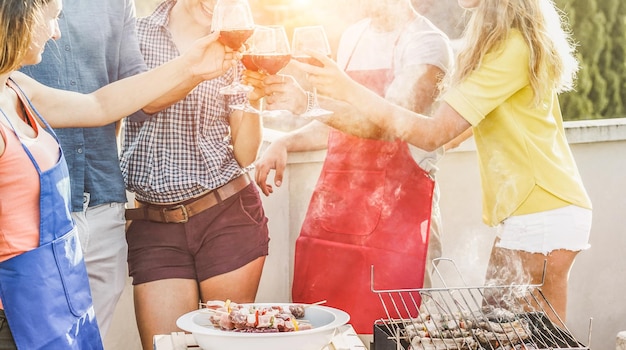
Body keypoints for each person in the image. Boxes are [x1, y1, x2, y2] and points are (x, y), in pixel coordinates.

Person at [291, 0, 592, 323]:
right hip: (539, 209)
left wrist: (346, 88)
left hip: (542, 211)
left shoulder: (512, 49)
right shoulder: (504, 44)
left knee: (518, 333)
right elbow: (460, 130)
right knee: (511, 329)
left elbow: (434, 133)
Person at [0, 0, 234, 348]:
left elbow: (100, 105)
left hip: (51, 282)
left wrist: (190, 65)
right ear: (19, 16)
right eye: (51, 19)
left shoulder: (17, 88)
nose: (56, 32)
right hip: (13, 300)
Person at [250, 0, 454, 334]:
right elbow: (338, 121)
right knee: (322, 334)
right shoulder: (353, 36)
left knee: (397, 335)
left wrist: (306, 102)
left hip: (400, 225)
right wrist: (286, 141)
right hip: (336, 219)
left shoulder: (428, 44)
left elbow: (392, 123)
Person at [119, 0, 270, 348]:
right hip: (154, 223)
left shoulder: (237, 44)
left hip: (227, 214)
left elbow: (246, 152)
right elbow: (142, 104)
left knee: (225, 344)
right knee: (166, 344)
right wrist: (197, 71)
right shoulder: (136, 34)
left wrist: (255, 94)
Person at [19, 0, 149, 339]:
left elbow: (121, 101)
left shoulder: (117, 4)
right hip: (32, 216)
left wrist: (198, 64)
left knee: (92, 340)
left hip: (104, 205)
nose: (55, 32)